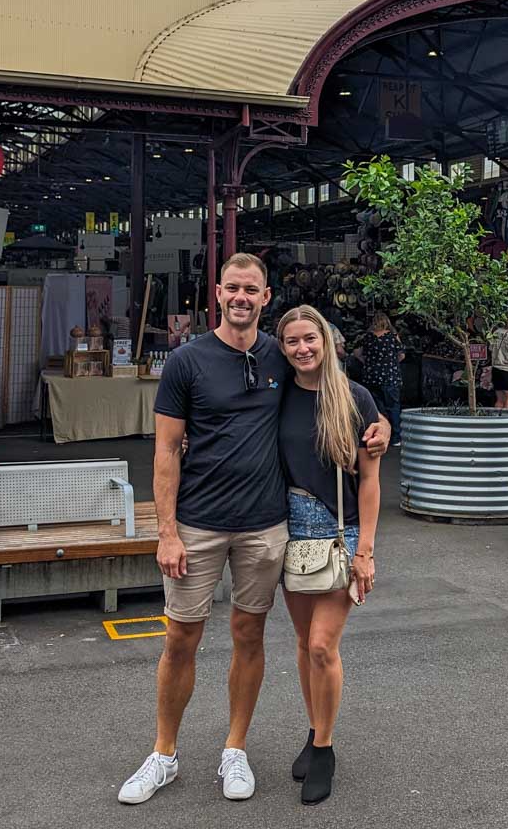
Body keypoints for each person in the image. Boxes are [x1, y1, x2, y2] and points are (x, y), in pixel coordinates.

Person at [118, 253, 389, 806]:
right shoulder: (186, 362)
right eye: (233, 288)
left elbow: (340, 396)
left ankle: (235, 749)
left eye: (252, 290)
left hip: (267, 527)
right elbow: (166, 450)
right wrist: (166, 532)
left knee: (251, 635)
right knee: (180, 638)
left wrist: (380, 425)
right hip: (198, 522)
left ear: (266, 298)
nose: (241, 297)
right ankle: (164, 754)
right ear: (218, 293)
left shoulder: (279, 356)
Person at [277, 305, 381, 805]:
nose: (303, 349)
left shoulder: (354, 397)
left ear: (326, 341)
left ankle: (324, 747)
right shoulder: (277, 394)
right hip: (289, 532)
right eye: (292, 341)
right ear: (282, 348)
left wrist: (366, 551)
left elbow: (371, 481)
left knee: (322, 645)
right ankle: (314, 726)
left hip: (340, 532)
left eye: (310, 339)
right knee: (302, 643)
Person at [357, 312, 405, 445]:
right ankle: (395, 437)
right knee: (393, 406)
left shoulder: (367, 337)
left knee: (377, 408)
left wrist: (369, 364)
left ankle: (379, 435)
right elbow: (402, 355)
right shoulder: (392, 336)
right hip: (390, 377)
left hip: (371, 377)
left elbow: (358, 354)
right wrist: (391, 363)